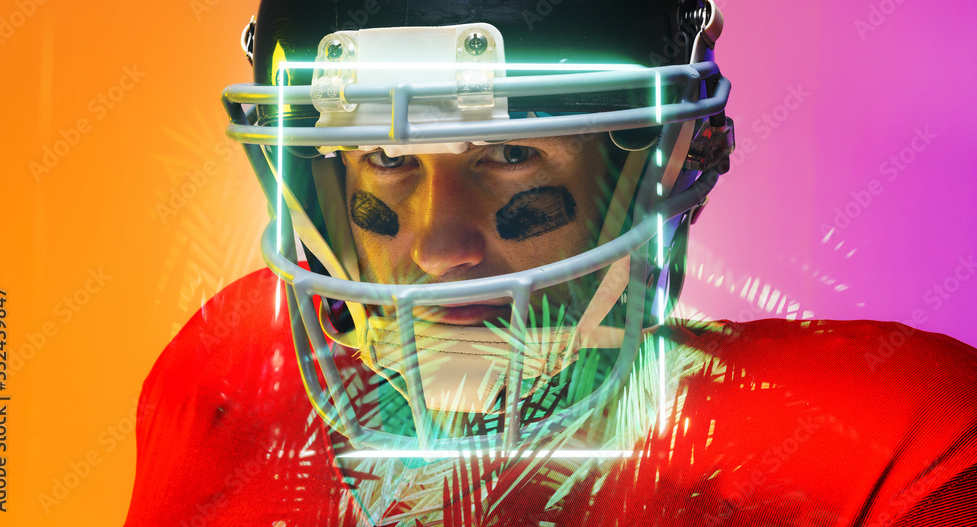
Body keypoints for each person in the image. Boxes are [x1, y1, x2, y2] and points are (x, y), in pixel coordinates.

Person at [124, 0, 977, 525]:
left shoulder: (881, 459)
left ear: (663, 154)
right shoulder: (231, 376)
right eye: (385, 156)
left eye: (509, 153)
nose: (438, 246)